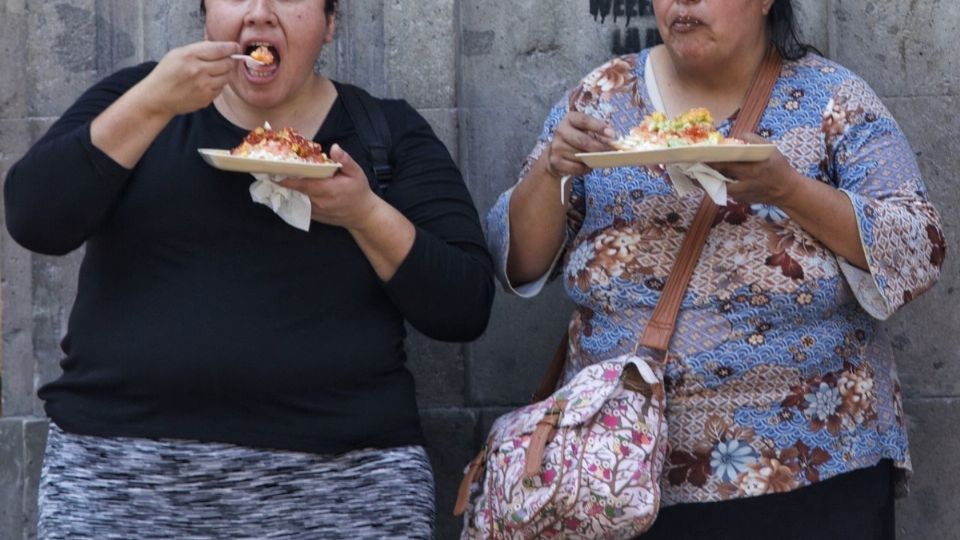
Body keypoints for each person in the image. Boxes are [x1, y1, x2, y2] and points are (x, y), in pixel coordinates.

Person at [5, 0, 494, 538]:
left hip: (346, 484)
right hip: (121, 477)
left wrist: (364, 213)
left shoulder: (383, 131)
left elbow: (465, 307)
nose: (259, 13)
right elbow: (34, 220)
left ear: (330, 23)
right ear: (206, 15)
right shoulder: (143, 101)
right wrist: (151, 103)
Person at [486, 0, 944, 538]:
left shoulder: (831, 99)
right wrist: (551, 171)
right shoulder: (604, 96)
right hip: (618, 471)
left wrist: (789, 190)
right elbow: (517, 260)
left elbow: (918, 246)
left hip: (813, 463)